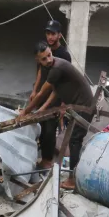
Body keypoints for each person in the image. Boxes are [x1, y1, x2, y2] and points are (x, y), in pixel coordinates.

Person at [19, 42, 95, 188]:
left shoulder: (57, 67)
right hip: (76, 105)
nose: (49, 59)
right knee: (73, 140)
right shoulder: (48, 68)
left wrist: (24, 112)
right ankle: (73, 176)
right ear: (38, 60)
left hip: (83, 106)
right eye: (44, 58)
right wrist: (41, 110)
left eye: (49, 55)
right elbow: (56, 91)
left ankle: (73, 180)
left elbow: (42, 94)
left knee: (75, 140)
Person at [28, 20, 72, 168]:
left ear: (59, 35)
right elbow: (40, 72)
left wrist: (63, 104)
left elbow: (66, 81)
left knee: (49, 129)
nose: (50, 37)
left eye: (53, 33)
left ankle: (48, 160)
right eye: (48, 33)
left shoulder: (64, 55)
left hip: (56, 95)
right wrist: (35, 90)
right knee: (40, 126)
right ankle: (43, 158)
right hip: (42, 93)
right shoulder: (43, 50)